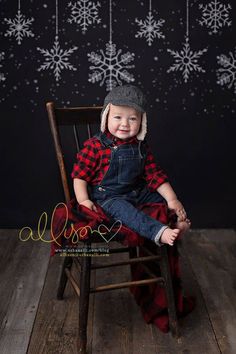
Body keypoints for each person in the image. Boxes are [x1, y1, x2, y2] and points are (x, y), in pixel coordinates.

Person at [71, 85, 191, 246]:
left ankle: (176, 224)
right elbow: (80, 176)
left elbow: (154, 174)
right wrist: (83, 200)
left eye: (132, 118)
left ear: (142, 121)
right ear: (106, 117)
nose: (125, 124)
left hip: (135, 191)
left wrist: (172, 199)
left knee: (160, 198)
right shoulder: (95, 146)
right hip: (108, 198)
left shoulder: (141, 146)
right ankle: (159, 232)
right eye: (117, 117)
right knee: (127, 213)